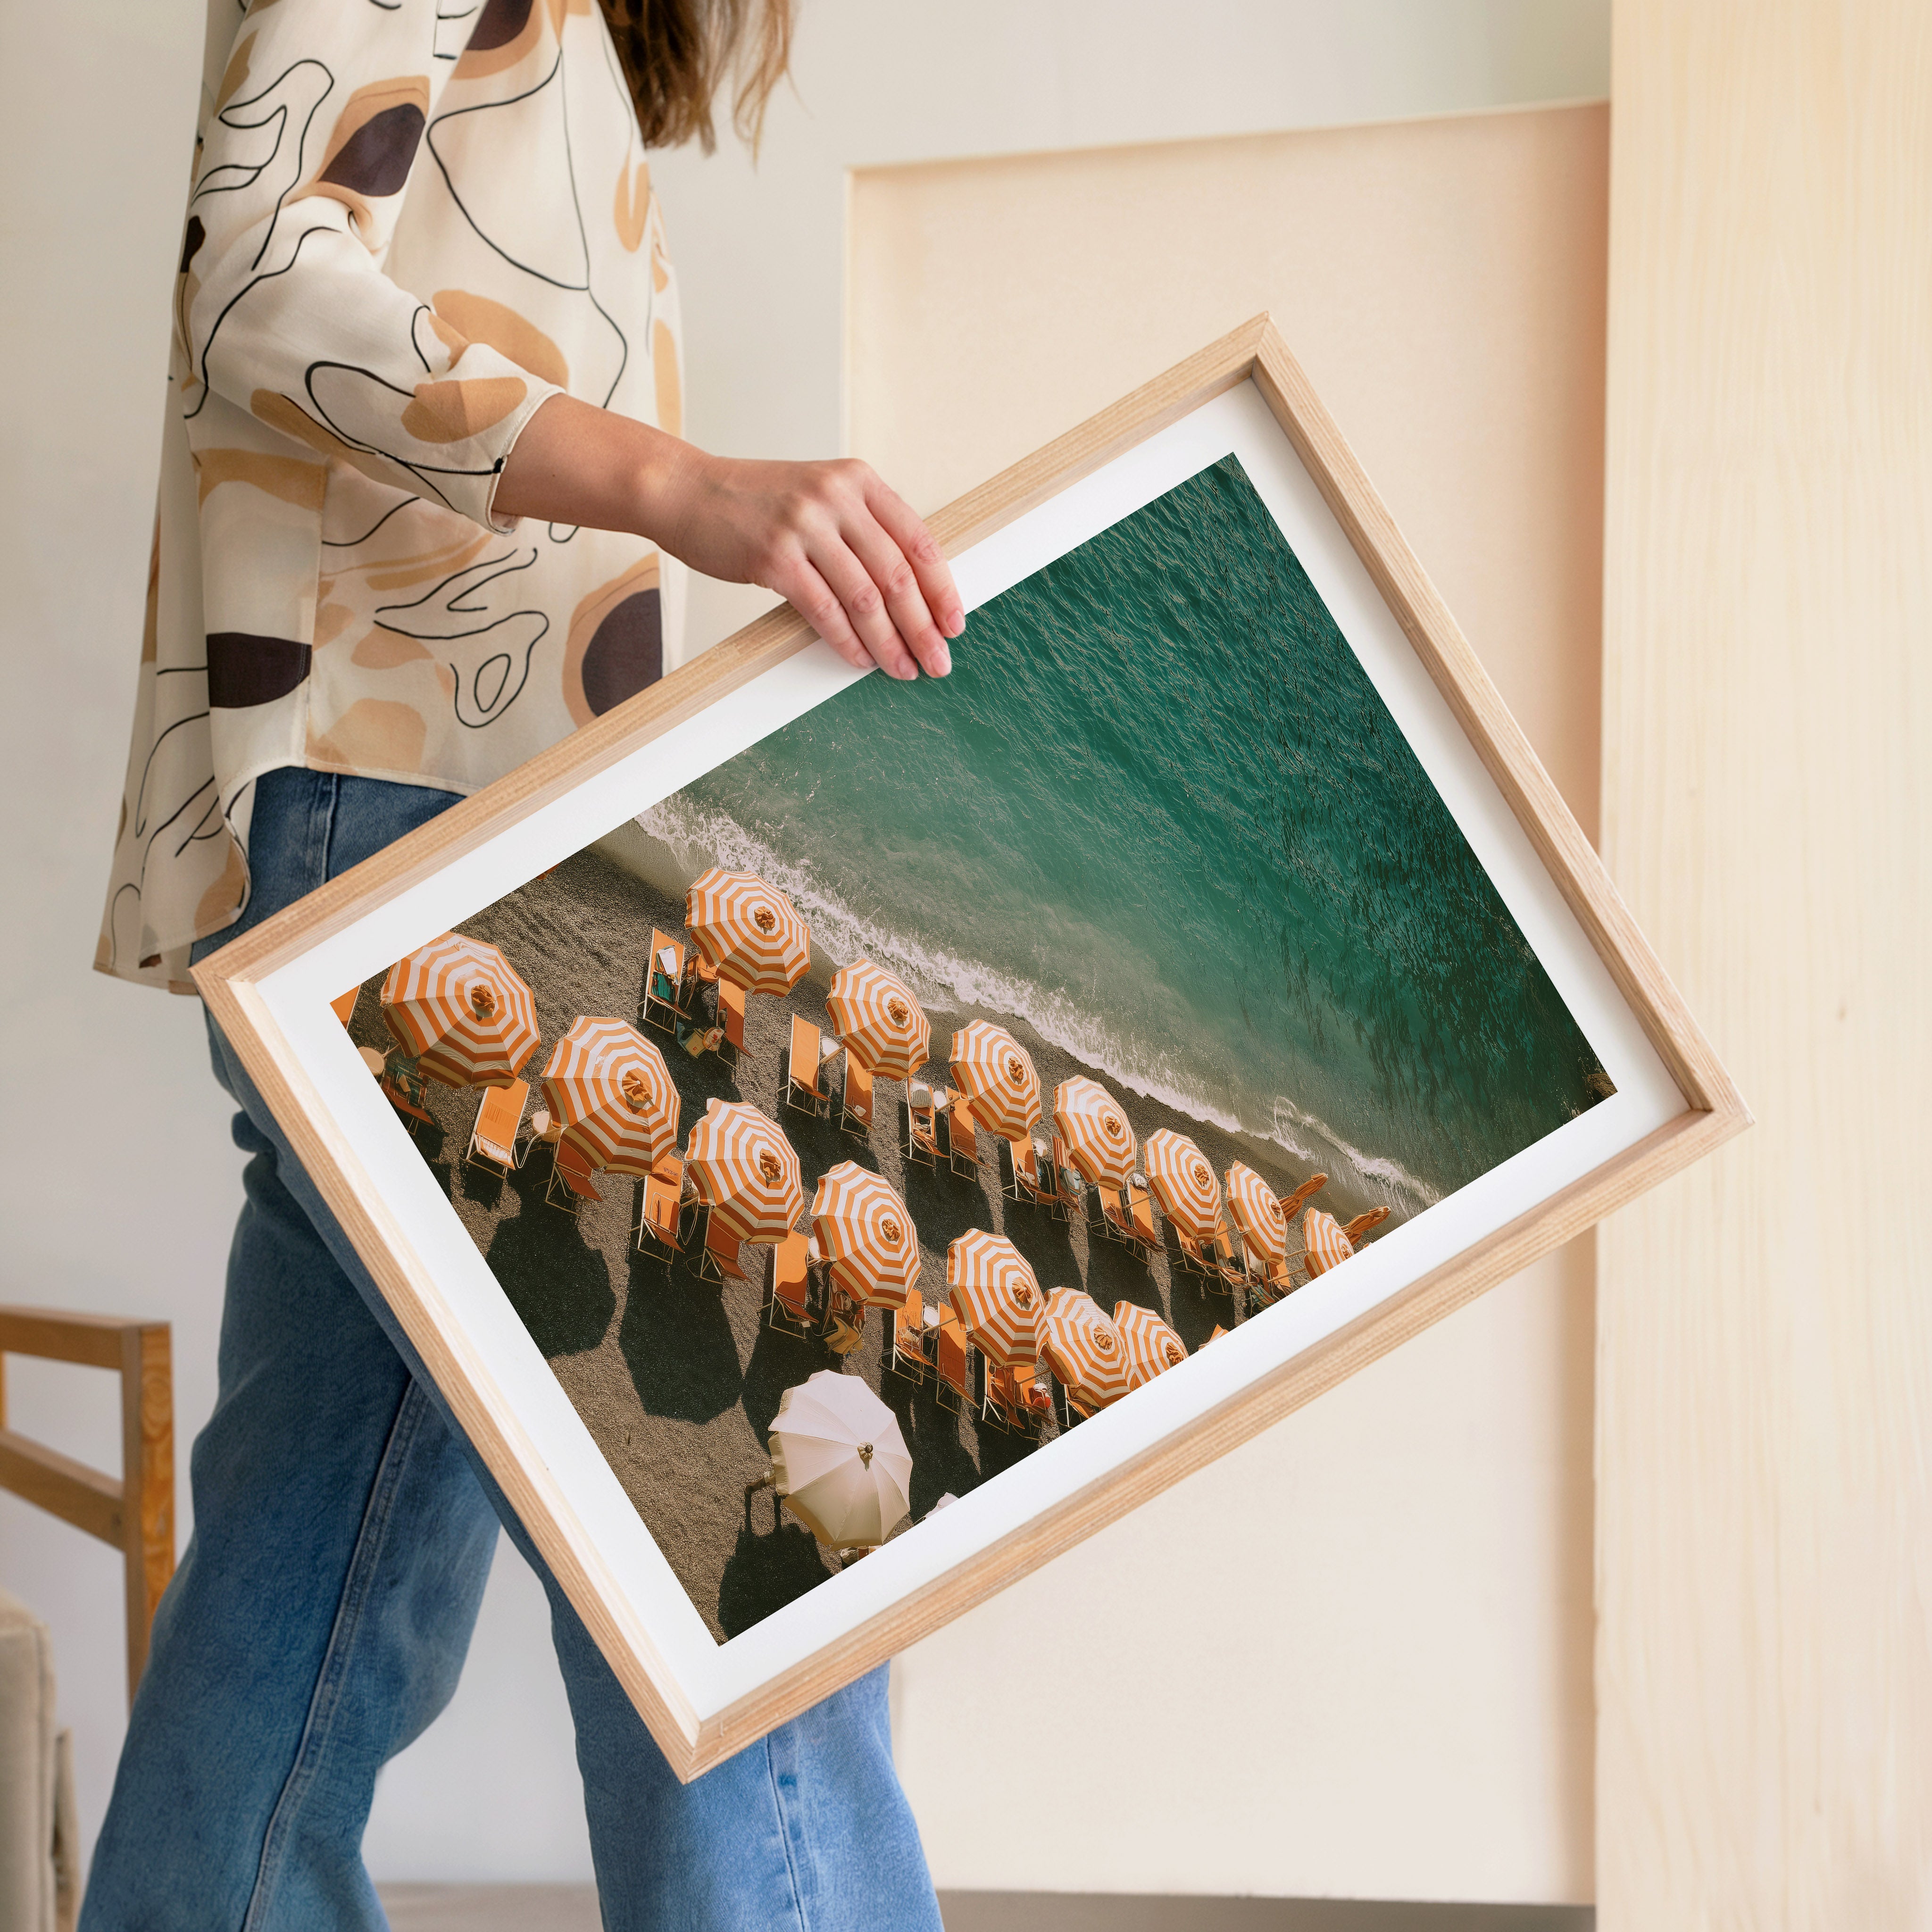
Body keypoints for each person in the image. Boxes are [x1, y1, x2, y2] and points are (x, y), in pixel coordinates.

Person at [87, 0, 958, 1925]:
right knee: (743, 1515)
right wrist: (687, 486)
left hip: (386, 823)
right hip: (431, 831)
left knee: (314, 1576)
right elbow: (260, 268)